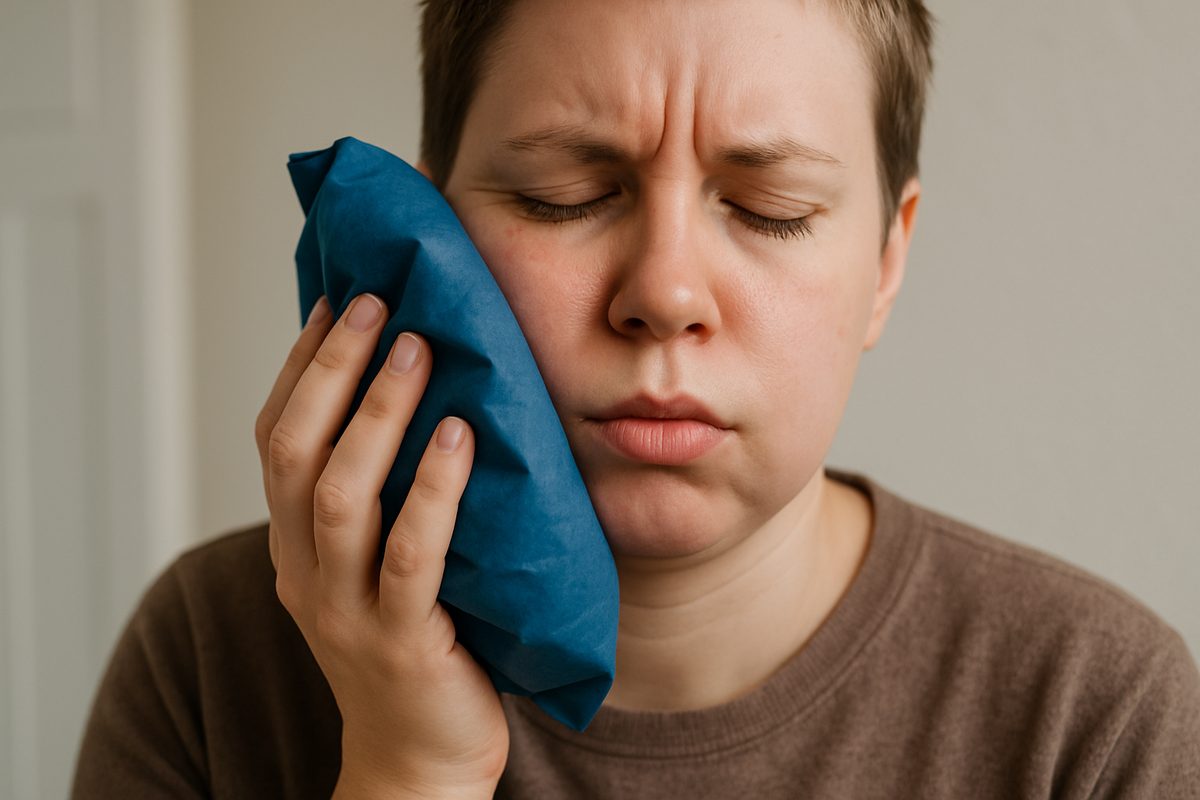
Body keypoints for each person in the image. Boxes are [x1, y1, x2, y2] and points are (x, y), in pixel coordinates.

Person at [72, 0, 1200, 797]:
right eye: (567, 194)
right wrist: (408, 769)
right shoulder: (212, 661)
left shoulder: (1092, 713)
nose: (664, 292)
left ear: (886, 264)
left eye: (768, 208)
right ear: (440, 222)